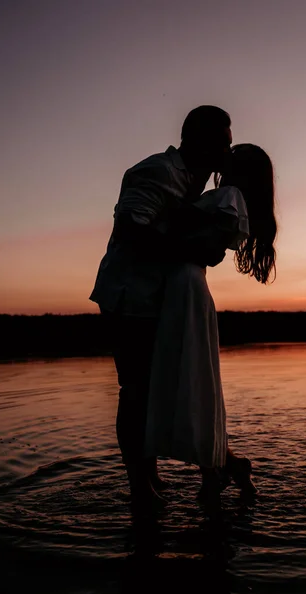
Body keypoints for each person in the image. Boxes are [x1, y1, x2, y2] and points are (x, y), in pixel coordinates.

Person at [89, 106, 233, 513]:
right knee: (134, 391)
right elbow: (132, 230)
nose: (227, 151)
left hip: (159, 301)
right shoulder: (155, 172)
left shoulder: (194, 185)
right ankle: (140, 486)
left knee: (152, 392)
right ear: (195, 140)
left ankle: (150, 477)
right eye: (222, 142)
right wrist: (193, 250)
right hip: (130, 297)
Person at [144, 143, 277, 509]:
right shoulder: (228, 197)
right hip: (184, 286)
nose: (222, 158)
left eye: (229, 157)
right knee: (192, 381)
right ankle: (224, 469)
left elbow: (193, 234)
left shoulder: (228, 196)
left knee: (190, 380)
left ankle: (220, 470)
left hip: (185, 288)